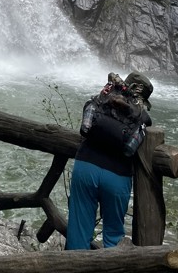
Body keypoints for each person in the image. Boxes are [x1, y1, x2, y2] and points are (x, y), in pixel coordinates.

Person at [66, 71, 154, 250]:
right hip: (117, 176)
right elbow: (131, 149)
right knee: (113, 236)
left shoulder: (103, 97)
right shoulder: (140, 115)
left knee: (78, 230)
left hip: (86, 167)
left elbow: (86, 127)